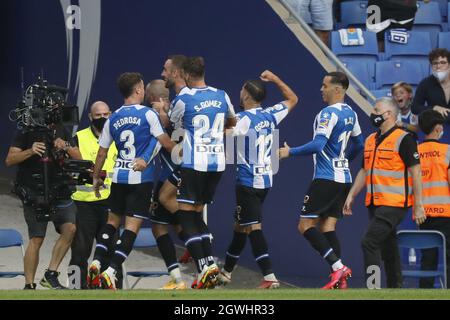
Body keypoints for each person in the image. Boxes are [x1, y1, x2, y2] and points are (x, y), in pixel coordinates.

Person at [87, 72, 176, 290]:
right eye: (143, 87)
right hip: (140, 179)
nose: (144, 90)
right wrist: (183, 152)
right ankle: (111, 270)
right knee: (131, 229)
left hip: (118, 176)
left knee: (111, 222)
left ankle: (97, 261)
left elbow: (101, 153)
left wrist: (96, 177)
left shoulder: (113, 117)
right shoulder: (148, 114)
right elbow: (164, 142)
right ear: (137, 90)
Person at [278, 71, 364, 289]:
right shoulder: (351, 113)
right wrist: (343, 159)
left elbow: (317, 145)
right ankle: (339, 278)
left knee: (305, 225)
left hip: (326, 178)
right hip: (343, 177)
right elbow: (359, 144)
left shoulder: (327, 114)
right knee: (328, 227)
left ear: (337, 89)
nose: (321, 89)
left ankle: (338, 268)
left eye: (325, 85)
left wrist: (290, 152)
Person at [217, 70, 298, 289]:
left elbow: (218, 132)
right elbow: (293, 99)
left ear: (246, 96)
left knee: (253, 227)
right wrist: (276, 79)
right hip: (265, 181)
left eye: (242, 89)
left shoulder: (241, 119)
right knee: (240, 226)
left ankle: (269, 277)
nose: (240, 92)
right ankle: (226, 272)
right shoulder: (271, 114)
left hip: (247, 181)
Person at [343, 97, 427, 288]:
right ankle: (395, 288)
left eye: (376, 109)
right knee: (389, 248)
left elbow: (416, 172)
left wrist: (419, 205)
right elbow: (364, 171)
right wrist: (352, 195)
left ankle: (373, 287)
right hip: (374, 202)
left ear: (388, 114)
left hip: (394, 203)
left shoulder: (404, 138)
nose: (373, 113)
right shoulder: (370, 139)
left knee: (369, 242)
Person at [174, 56, 236, 289]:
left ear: (187, 76)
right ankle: (208, 264)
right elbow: (232, 120)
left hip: (194, 163)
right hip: (217, 163)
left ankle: (204, 264)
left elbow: (174, 123)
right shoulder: (222, 95)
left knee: (185, 216)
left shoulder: (184, 97)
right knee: (197, 214)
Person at [5, 124, 81, 289]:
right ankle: (29, 285)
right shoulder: (25, 129)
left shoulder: (63, 129)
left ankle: (50, 274)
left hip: (60, 190)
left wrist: (65, 145)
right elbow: (10, 160)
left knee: (71, 229)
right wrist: (31, 151)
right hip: (34, 191)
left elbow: (79, 157)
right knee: (37, 239)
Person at [68, 101, 122, 289]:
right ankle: (75, 288)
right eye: (98, 116)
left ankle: (114, 288)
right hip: (83, 204)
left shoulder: (118, 138)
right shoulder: (78, 138)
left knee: (112, 249)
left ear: (111, 114)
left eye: (106, 114)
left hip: (110, 204)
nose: (102, 119)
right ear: (90, 117)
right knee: (80, 251)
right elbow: (72, 168)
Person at [145, 79, 187, 290]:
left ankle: (199, 237)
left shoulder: (162, 116)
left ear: (154, 99)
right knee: (163, 225)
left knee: (162, 222)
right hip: (177, 175)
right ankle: (178, 279)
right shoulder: (180, 109)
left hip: (174, 175)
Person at [417, 109, 450, 288]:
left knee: (427, 259)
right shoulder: (447, 151)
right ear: (438, 128)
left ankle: (424, 294)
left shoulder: (414, 151)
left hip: (424, 215)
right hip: (447, 214)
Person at [412, 48, 450, 121]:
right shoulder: (425, 83)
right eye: (435, 63)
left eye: (443, 62)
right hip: (435, 126)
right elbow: (415, 108)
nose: (438, 66)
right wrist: (433, 108)